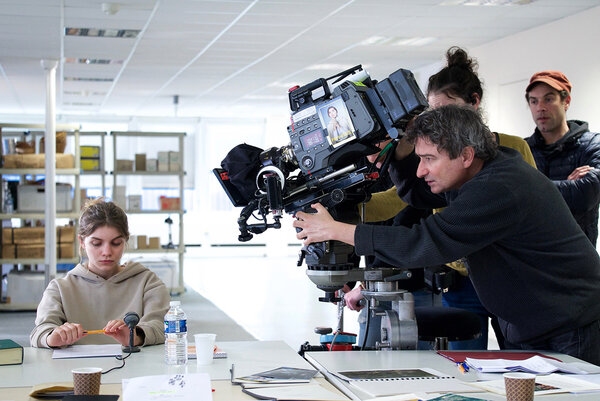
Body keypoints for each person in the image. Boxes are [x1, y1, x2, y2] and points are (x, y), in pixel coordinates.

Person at [293, 105, 600, 365]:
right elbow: (419, 195)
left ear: (466, 154)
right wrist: (397, 152)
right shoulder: (483, 169)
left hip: (569, 328)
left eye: (429, 159)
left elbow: (426, 242)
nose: (421, 170)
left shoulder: (498, 189)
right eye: (420, 157)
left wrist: (334, 230)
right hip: (536, 323)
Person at [351, 47, 536, 350]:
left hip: (510, 276)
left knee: (520, 362)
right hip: (462, 277)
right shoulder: (442, 159)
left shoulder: (512, 151)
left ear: (474, 102)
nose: (441, 120)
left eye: (449, 109)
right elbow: (401, 198)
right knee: (467, 365)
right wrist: (340, 213)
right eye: (434, 112)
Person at [30, 198, 170, 348]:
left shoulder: (148, 282)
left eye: (116, 243)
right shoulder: (60, 288)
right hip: (77, 369)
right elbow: (39, 333)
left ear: (126, 241)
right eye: (96, 243)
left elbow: (163, 327)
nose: (107, 252)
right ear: (82, 242)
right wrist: (53, 337)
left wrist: (136, 336)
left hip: (136, 367)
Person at [524, 70, 600, 245]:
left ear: (566, 101)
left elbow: (588, 194)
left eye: (548, 99)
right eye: (533, 101)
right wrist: (569, 185)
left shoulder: (592, 144)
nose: (540, 107)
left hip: (577, 260)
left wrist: (529, 189)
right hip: (532, 257)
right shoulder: (523, 149)